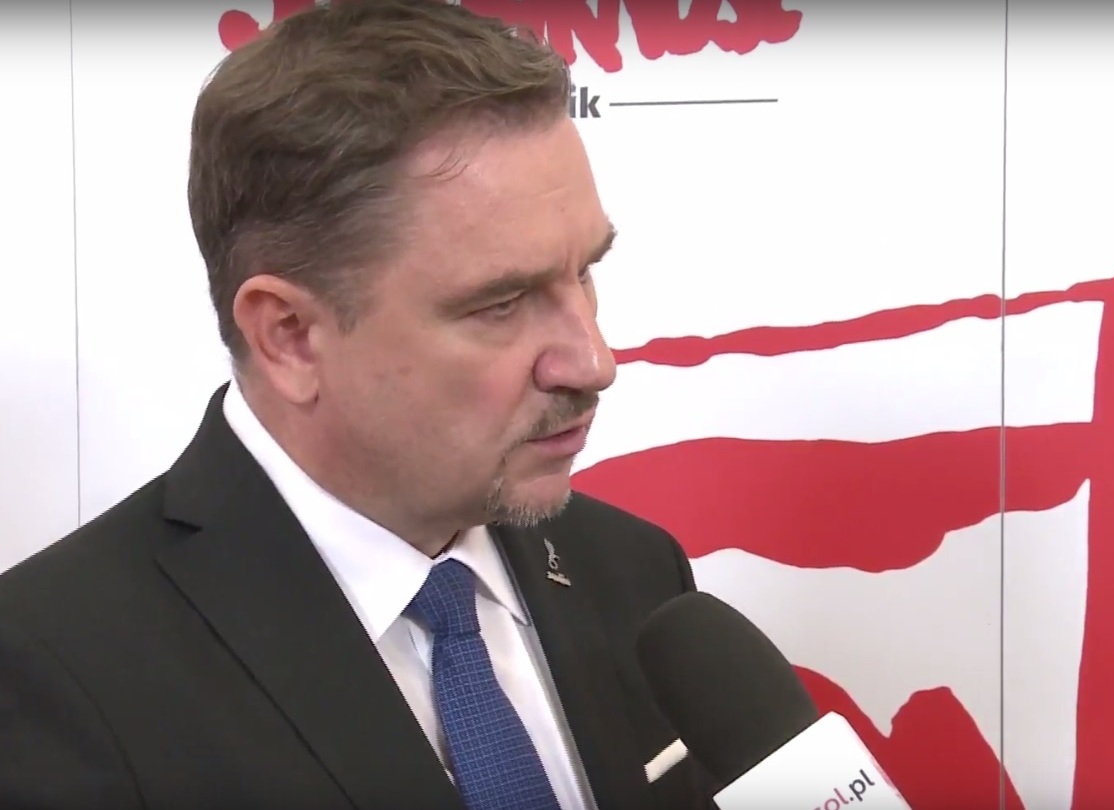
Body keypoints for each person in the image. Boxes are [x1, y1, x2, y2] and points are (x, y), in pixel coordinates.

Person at [0, 2, 720, 808]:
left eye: (584, 271)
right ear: (289, 336)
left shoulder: (633, 572)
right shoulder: (53, 678)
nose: (593, 361)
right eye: (501, 303)